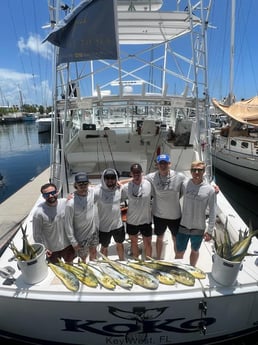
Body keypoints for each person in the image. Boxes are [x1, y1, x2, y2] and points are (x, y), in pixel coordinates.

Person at [175, 160, 216, 266]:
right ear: (190, 171)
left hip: (199, 227)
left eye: (199, 170)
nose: (196, 173)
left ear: (204, 171)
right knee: (179, 251)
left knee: (195, 250)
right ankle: (176, 270)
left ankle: (192, 268)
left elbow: (212, 212)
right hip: (183, 225)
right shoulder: (184, 184)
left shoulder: (210, 190)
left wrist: (210, 231)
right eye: (194, 170)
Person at [146, 154, 186, 260]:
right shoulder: (151, 177)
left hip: (175, 215)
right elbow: (137, 179)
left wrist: (211, 187)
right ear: (157, 165)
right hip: (159, 215)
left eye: (165, 163)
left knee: (175, 238)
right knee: (160, 237)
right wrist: (120, 182)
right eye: (160, 163)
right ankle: (159, 259)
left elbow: (192, 184)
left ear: (170, 164)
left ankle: (177, 260)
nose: (163, 165)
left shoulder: (180, 176)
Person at [32, 183, 75, 264]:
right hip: (52, 249)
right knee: (57, 268)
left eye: (53, 193)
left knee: (70, 264)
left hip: (68, 244)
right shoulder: (38, 213)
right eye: (46, 194)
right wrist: (44, 249)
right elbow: (36, 234)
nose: (50, 196)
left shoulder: (65, 202)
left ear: (57, 192)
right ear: (43, 196)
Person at [65, 172, 98, 262]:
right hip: (81, 238)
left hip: (93, 232)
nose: (83, 186)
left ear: (88, 184)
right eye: (80, 184)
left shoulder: (91, 192)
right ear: (75, 185)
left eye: (85, 184)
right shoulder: (71, 203)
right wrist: (74, 242)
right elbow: (68, 225)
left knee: (94, 252)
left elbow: (105, 185)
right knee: (83, 258)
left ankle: (94, 269)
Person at [122, 163, 153, 259]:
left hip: (146, 220)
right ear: (131, 173)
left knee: (147, 242)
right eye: (134, 172)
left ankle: (149, 262)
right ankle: (136, 260)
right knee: (133, 242)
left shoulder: (149, 184)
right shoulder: (126, 187)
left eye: (138, 172)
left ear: (142, 173)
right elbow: (118, 198)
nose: (136, 174)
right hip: (132, 220)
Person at [94, 168, 125, 260]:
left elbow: (132, 180)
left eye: (113, 177)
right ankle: (106, 264)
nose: (110, 180)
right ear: (103, 179)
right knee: (104, 247)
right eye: (107, 178)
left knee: (120, 244)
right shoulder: (97, 191)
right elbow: (83, 193)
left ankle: (122, 261)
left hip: (118, 225)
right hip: (104, 227)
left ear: (116, 179)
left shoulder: (119, 188)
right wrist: (72, 195)